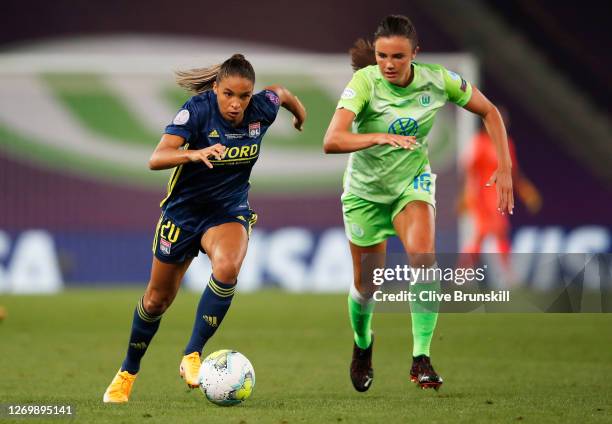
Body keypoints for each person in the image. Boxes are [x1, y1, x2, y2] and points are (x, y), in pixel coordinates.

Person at [323, 15, 513, 392]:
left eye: (398, 56)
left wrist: (504, 166)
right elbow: (332, 140)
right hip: (364, 194)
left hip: (412, 185)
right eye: (381, 56)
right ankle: (363, 346)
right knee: (366, 286)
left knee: (424, 259)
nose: (389, 64)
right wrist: (378, 137)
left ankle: (420, 358)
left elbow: (489, 111)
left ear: (415, 54)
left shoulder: (437, 80)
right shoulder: (364, 83)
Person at [103, 54, 306, 403]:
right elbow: (156, 158)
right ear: (215, 88)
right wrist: (192, 154)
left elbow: (282, 93)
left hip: (227, 212)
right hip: (183, 216)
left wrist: (299, 116)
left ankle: (193, 353)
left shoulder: (262, 109)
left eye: (244, 96)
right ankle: (127, 371)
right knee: (156, 300)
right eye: (228, 94)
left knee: (227, 268)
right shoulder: (196, 111)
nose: (236, 104)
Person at [460, 108, 541, 270]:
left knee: (491, 234)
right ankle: (465, 274)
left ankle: (463, 274)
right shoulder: (480, 142)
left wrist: (525, 191)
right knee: (489, 233)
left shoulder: (507, 144)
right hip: (482, 198)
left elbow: (513, 172)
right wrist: (468, 194)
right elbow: (469, 170)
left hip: (498, 196)